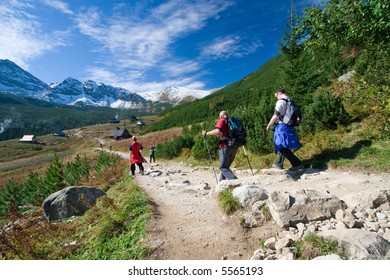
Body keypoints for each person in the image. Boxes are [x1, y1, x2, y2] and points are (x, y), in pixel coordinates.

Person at [266, 88, 303, 171]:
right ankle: (278, 163)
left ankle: (297, 164)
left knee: (281, 146)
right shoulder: (291, 101)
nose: (276, 98)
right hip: (290, 126)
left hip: (282, 126)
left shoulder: (281, 101)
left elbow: (276, 115)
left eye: (276, 96)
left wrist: (269, 125)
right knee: (285, 145)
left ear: (279, 93)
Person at [202, 110, 239, 181]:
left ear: (220, 116)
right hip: (235, 146)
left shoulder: (222, 120)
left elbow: (217, 131)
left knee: (223, 167)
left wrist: (207, 133)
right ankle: (221, 183)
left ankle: (235, 181)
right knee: (226, 166)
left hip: (225, 146)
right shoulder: (233, 121)